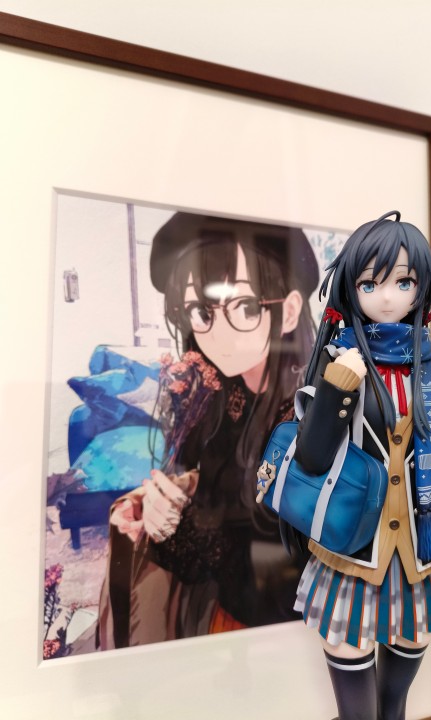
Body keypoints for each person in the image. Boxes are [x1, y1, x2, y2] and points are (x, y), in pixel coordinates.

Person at [98, 212, 319, 648]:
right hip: (219, 615)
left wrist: (181, 530)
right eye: (201, 312)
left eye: (245, 308)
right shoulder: (224, 393)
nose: (217, 334)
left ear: (290, 311)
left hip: (273, 636)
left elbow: (282, 577)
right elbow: (208, 485)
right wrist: (160, 503)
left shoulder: (309, 417)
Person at [284, 211, 431, 720]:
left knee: (395, 702)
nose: (387, 297)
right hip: (353, 551)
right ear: (352, 288)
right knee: (358, 710)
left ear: (421, 287)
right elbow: (311, 458)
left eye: (403, 282)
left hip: (421, 551)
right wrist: (337, 388)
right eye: (370, 284)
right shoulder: (338, 361)